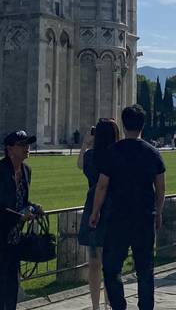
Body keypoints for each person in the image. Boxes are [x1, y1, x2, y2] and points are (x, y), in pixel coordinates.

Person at [89, 105, 166, 310]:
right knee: (145, 269)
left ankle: (119, 306)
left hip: (118, 217)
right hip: (144, 217)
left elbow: (102, 185)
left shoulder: (113, 152)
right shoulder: (153, 153)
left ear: (123, 125)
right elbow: (160, 188)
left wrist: (95, 211)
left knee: (112, 268)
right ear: (143, 125)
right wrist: (159, 212)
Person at [78, 119, 120, 310]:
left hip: (93, 206)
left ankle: (96, 306)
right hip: (115, 208)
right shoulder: (118, 155)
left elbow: (80, 164)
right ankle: (110, 303)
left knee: (94, 261)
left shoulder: (91, 156)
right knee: (110, 262)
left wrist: (85, 143)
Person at [0, 130, 43, 310]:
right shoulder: (1, 171)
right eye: (23, 145)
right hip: (1, 236)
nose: (27, 148)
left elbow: (22, 201)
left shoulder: (26, 170)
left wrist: (34, 208)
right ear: (10, 149)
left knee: (11, 285)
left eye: (28, 144)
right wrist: (20, 216)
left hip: (15, 238)